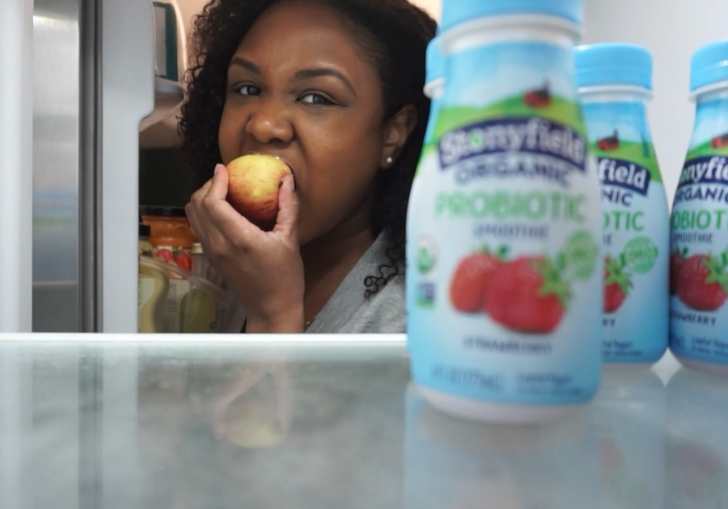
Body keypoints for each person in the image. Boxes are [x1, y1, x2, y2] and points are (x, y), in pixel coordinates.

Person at [181, 0, 436, 333]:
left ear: (393, 133)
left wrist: (274, 314)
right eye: (248, 89)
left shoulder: (410, 325)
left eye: (316, 98)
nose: (264, 125)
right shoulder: (237, 274)